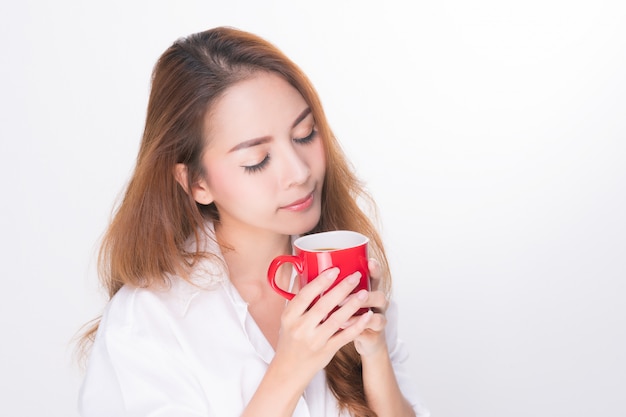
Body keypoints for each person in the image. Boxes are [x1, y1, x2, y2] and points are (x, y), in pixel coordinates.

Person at [77, 26, 429, 417]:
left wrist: (374, 352)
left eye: (305, 134)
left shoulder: (346, 274)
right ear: (196, 182)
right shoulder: (149, 320)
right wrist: (290, 369)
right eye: (256, 160)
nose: (299, 172)